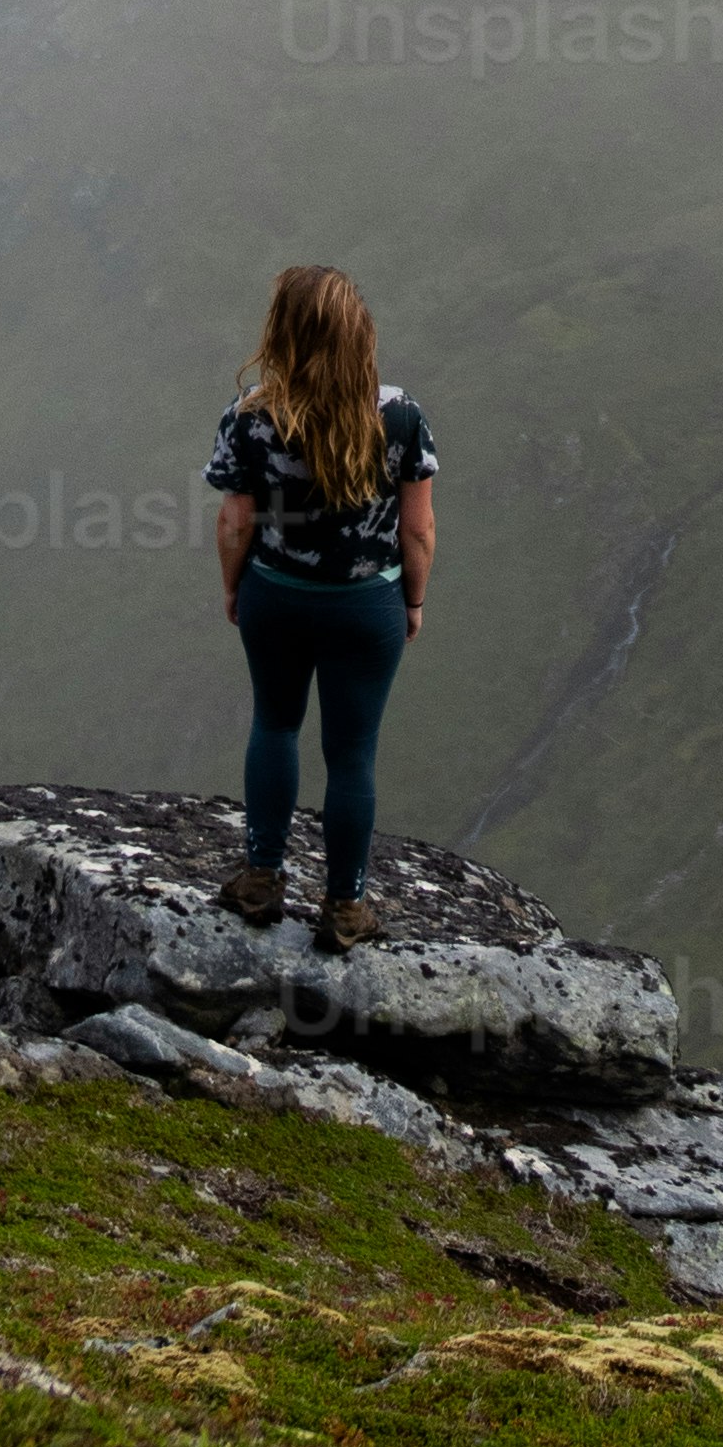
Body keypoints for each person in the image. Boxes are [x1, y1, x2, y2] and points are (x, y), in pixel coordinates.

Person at [202, 260, 439, 949]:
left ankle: (261, 880)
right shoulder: (400, 418)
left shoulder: (249, 419)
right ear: (358, 337)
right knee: (353, 754)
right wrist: (413, 600)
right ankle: (345, 909)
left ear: (283, 335)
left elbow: (234, 523)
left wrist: (233, 585)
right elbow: (417, 529)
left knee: (274, 725)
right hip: (367, 606)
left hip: (276, 595)